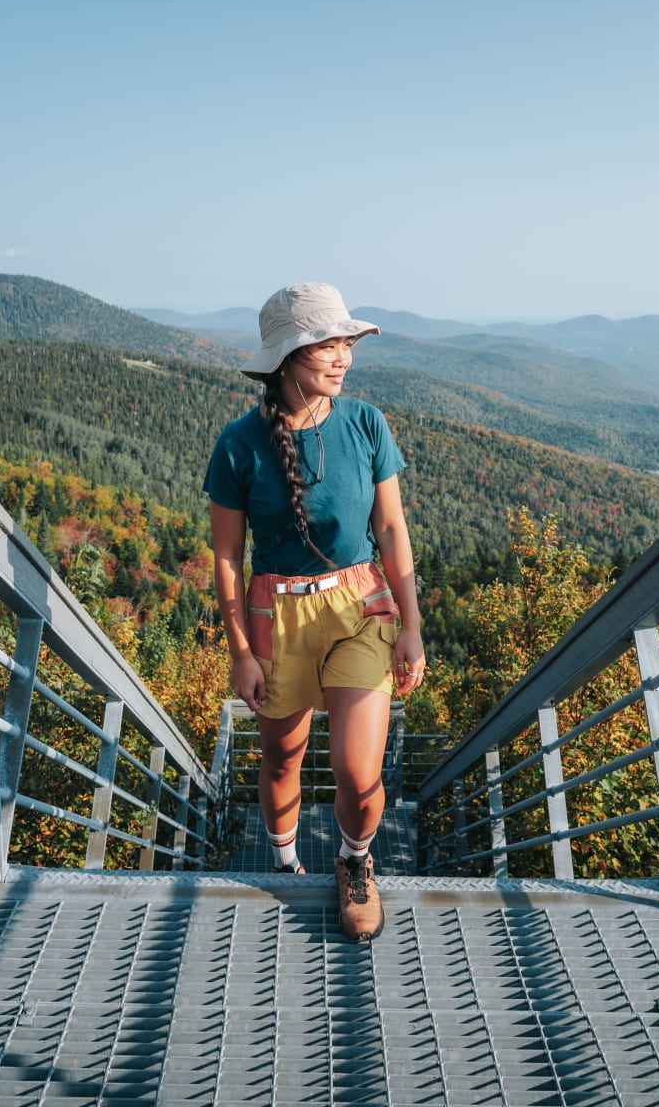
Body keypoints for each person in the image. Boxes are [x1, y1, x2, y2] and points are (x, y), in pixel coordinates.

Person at [203, 282, 426, 943]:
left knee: (360, 777)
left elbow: (391, 530)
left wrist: (411, 626)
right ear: (285, 358)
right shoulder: (239, 444)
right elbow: (226, 557)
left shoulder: (365, 424)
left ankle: (355, 862)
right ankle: (285, 864)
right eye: (326, 345)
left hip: (360, 607)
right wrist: (240, 652)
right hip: (277, 617)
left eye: (345, 343)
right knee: (282, 758)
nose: (343, 358)